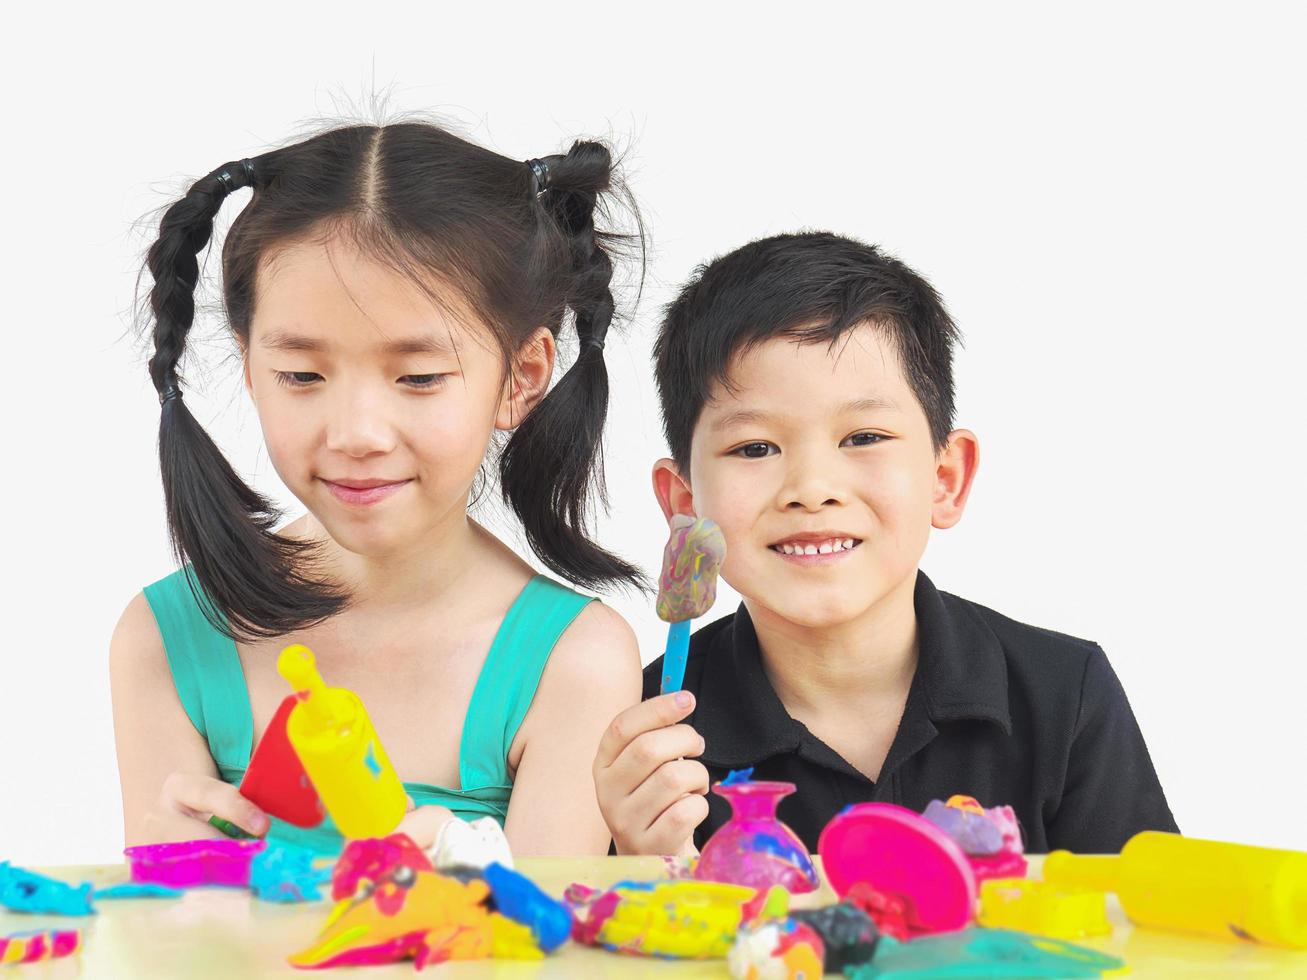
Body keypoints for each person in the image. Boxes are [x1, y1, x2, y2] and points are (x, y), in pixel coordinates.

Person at [111, 121, 643, 855]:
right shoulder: (167, 640)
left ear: (520, 378)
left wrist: (470, 877)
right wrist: (170, 891)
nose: (357, 432)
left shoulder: (574, 663)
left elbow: (545, 958)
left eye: (419, 377)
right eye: (301, 375)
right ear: (247, 365)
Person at [595, 231, 1177, 856]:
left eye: (864, 437)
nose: (811, 489)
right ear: (685, 505)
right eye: (755, 448)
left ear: (945, 479)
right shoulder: (645, 737)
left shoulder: (1063, 695)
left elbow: (1148, 936)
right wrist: (646, 861)